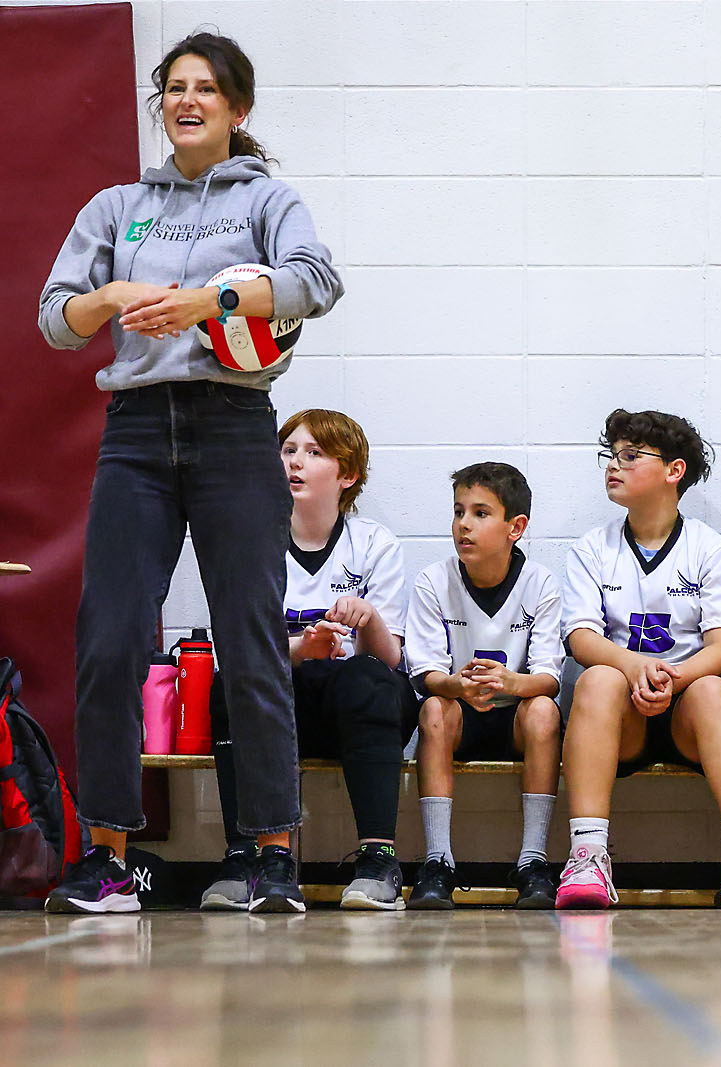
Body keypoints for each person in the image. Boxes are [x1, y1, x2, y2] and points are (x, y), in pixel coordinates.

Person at [39, 31, 342, 914]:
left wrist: (210, 300)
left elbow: (314, 280)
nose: (188, 99)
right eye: (174, 87)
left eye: (207, 88)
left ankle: (270, 855)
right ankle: (109, 858)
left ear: (237, 109)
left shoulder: (268, 200)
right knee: (108, 642)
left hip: (233, 425)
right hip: (135, 433)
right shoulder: (116, 206)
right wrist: (109, 301)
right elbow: (56, 318)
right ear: (161, 104)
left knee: (251, 643)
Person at [555, 410, 721, 910]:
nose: (613, 465)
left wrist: (672, 676)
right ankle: (588, 857)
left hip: (688, 710)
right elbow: (580, 638)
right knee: (596, 679)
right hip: (623, 714)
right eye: (611, 455)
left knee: (715, 688)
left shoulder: (711, 549)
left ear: (674, 471)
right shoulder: (591, 549)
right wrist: (635, 668)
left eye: (630, 455)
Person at [203, 409, 413, 911]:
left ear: (347, 475)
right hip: (284, 701)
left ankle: (378, 858)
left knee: (368, 676)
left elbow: (393, 659)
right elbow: (236, 644)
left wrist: (370, 621)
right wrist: (302, 649)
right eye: (288, 450)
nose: (296, 462)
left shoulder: (373, 543)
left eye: (314, 453)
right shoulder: (253, 543)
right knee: (228, 682)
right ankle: (245, 854)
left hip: (356, 709)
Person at [405, 463, 565, 910]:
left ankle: (532, 861)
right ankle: (439, 862)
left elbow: (550, 679)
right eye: (458, 512)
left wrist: (513, 682)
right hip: (459, 715)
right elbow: (424, 673)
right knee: (433, 707)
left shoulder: (541, 583)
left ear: (516, 527)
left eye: (480, 513)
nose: (463, 525)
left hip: (515, 716)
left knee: (545, 710)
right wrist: (457, 686)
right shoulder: (433, 581)